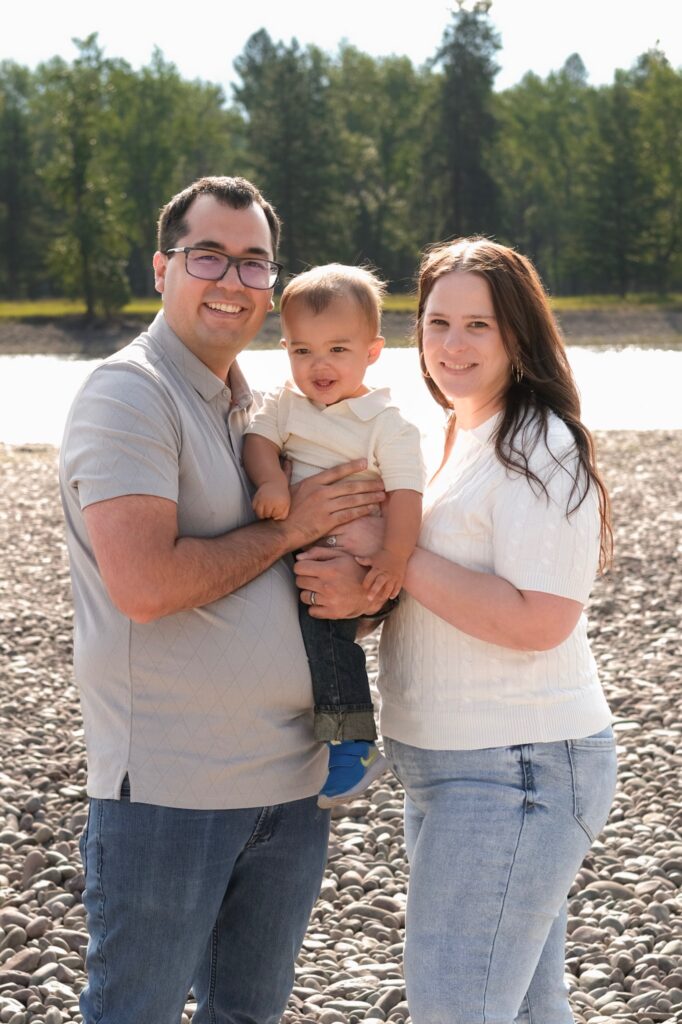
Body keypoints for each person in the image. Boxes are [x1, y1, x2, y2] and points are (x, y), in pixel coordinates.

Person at [58, 175, 387, 1024]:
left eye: (254, 264)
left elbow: (327, 554)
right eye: (210, 256)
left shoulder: (258, 407)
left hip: (289, 784)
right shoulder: (131, 393)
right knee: (136, 1012)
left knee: (248, 1014)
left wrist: (359, 580)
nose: (232, 281)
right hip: (173, 790)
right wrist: (289, 529)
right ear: (162, 267)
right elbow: (146, 586)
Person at [293, 237, 618, 1024]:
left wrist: (387, 556)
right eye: (438, 323)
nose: (452, 345)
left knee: (455, 1008)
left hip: (518, 767)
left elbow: (541, 621)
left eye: (478, 325)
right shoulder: (451, 441)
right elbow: (439, 597)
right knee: (529, 1011)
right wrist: (363, 590)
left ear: (519, 334)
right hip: (449, 765)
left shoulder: (543, 445)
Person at [242, 264, 424, 807]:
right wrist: (271, 478)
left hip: (352, 552)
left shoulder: (386, 423)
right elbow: (257, 441)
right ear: (286, 350)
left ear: (372, 352)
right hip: (293, 544)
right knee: (278, 631)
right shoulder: (283, 403)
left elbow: (409, 496)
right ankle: (301, 730)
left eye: (338, 351)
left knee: (328, 639)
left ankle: (356, 741)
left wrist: (392, 557)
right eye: (303, 351)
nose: (319, 365)